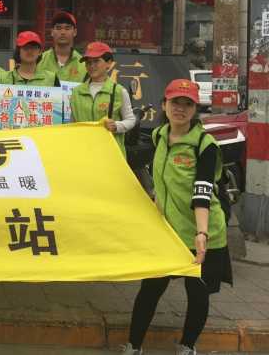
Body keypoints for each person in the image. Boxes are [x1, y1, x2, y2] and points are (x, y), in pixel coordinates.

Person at [122, 79, 232, 355]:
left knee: (197, 293)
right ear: (164, 105)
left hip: (204, 233)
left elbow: (202, 191)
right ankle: (133, 346)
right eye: (175, 102)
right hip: (169, 233)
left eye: (187, 104)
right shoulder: (159, 136)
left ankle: (187, 346)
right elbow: (160, 184)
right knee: (150, 289)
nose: (180, 109)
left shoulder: (205, 145)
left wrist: (202, 233)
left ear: (195, 109)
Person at [69, 42, 135, 156]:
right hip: (83, 151)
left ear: (108, 63)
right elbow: (72, 123)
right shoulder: (76, 92)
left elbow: (130, 120)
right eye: (88, 62)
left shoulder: (118, 91)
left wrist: (116, 126)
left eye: (96, 61)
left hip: (110, 153)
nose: (91, 66)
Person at [37, 11, 87, 83]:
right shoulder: (39, 61)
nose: (63, 32)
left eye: (67, 28)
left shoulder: (83, 64)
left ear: (75, 32)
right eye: (58, 28)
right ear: (52, 32)